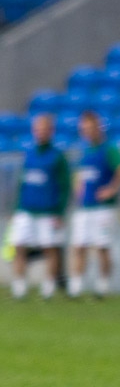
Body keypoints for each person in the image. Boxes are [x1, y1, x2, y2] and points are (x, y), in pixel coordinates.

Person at [68, 110, 120, 299]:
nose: (86, 132)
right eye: (83, 129)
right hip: (85, 207)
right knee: (79, 246)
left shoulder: (109, 149)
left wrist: (112, 188)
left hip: (103, 208)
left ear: (98, 128)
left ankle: (102, 286)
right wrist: (77, 188)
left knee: (102, 247)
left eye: (89, 128)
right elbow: (79, 173)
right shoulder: (85, 151)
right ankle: (76, 286)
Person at [10, 114, 71, 300]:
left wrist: (60, 212)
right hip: (26, 209)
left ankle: (49, 286)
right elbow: (22, 184)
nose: (41, 133)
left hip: (48, 211)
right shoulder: (29, 154)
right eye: (38, 129)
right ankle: (19, 286)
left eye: (44, 129)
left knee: (50, 248)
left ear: (51, 131)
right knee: (19, 245)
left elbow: (65, 186)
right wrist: (16, 208)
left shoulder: (57, 156)